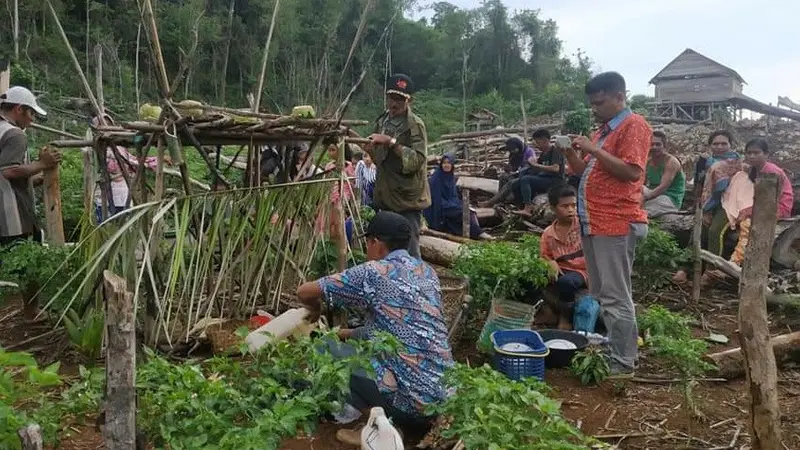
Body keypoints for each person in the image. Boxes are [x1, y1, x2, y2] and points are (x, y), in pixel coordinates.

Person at [296, 211, 454, 444]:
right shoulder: (426, 272)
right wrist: (343, 334)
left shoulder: (373, 272)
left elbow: (304, 291)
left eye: (367, 243)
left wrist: (317, 311)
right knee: (353, 348)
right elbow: (388, 329)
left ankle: (378, 425)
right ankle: (392, 426)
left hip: (410, 407)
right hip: (444, 400)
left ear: (376, 243)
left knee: (323, 347)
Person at [561, 72, 650, 379]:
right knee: (601, 292)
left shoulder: (633, 125)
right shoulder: (603, 131)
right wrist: (572, 153)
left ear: (619, 97)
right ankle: (617, 350)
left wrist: (595, 149)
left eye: (600, 102)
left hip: (616, 222)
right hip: (596, 221)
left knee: (615, 296)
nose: (595, 108)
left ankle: (624, 363)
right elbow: (586, 172)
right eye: (592, 103)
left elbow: (631, 172)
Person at [0, 86, 62, 318]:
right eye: (31, 113)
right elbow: (8, 171)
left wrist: (38, 178)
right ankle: (31, 312)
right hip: (11, 212)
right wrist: (42, 164)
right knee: (29, 261)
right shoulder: (15, 134)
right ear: (19, 109)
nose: (33, 120)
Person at [365, 74, 430, 259]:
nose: (394, 104)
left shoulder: (415, 125)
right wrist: (370, 148)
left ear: (409, 100)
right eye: (392, 98)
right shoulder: (383, 121)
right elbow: (380, 160)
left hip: (406, 201)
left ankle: (416, 286)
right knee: (385, 250)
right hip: (386, 196)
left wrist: (391, 142)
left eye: (400, 100)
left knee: (408, 251)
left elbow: (417, 161)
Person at [726, 138, 794, 266]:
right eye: (749, 153)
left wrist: (749, 211)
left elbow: (770, 201)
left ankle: (735, 261)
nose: (752, 156)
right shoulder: (754, 169)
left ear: (766, 154)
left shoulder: (771, 171)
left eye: (756, 153)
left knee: (748, 225)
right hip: (762, 204)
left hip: (778, 206)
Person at [89, 112, 161, 222]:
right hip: (105, 192)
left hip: (123, 191)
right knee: (108, 224)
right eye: (102, 124)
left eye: (109, 123)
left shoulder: (120, 147)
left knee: (125, 223)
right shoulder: (95, 148)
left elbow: (132, 160)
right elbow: (126, 163)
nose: (106, 127)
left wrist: (154, 160)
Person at [539, 184, 587, 330]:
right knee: (528, 276)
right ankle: (547, 312)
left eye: (573, 205)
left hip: (582, 271)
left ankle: (565, 319)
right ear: (553, 208)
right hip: (560, 269)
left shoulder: (583, 225)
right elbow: (544, 255)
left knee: (567, 283)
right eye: (565, 206)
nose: (571, 210)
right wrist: (550, 262)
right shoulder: (548, 233)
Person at [423, 153, 493, 240]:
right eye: (444, 163)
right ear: (441, 164)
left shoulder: (450, 177)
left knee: (471, 211)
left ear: (452, 165)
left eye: (449, 163)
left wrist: (457, 204)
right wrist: (453, 205)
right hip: (438, 208)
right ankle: (479, 233)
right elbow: (436, 199)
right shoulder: (435, 179)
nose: (446, 165)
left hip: (449, 205)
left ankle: (476, 233)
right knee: (464, 212)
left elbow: (453, 196)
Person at [700, 131, 743, 258]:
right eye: (716, 144)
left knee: (714, 231)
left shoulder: (737, 163)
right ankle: (686, 267)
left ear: (730, 145)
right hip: (709, 203)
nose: (719, 147)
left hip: (730, 204)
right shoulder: (705, 162)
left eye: (724, 144)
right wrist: (702, 208)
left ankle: (711, 270)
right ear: (710, 146)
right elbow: (699, 185)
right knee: (699, 230)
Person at [513, 128, 566, 217]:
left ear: (545, 140)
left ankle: (527, 208)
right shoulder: (543, 153)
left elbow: (555, 168)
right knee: (516, 182)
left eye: (538, 142)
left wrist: (536, 165)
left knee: (526, 179)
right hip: (545, 178)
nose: (537, 145)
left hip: (555, 181)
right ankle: (520, 205)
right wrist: (530, 164)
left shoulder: (556, 151)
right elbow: (538, 167)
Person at [480, 136, 536, 207]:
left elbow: (530, 167)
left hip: (525, 176)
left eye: (513, 149)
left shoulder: (529, 152)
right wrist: (508, 168)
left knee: (510, 182)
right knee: (503, 176)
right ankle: (500, 197)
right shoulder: (514, 154)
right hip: (516, 174)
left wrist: (517, 172)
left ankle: (495, 201)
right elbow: (512, 166)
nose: (512, 151)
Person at [642, 130, 685, 216]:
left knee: (644, 211)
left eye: (658, 144)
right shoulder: (648, 161)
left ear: (664, 146)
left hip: (669, 198)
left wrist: (644, 198)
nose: (654, 147)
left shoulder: (671, 162)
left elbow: (663, 187)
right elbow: (641, 182)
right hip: (653, 194)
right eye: (652, 144)